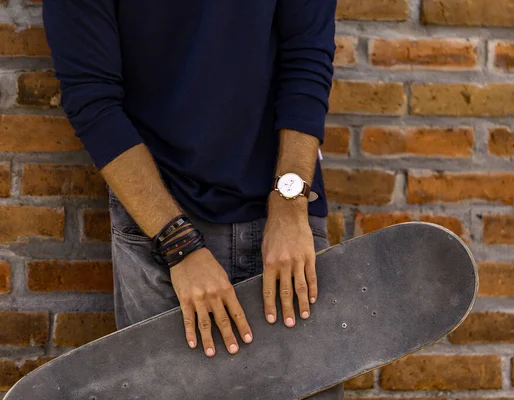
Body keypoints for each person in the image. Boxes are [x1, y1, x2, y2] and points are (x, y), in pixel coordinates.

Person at [42, 0, 341, 398]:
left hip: (287, 212)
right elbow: (92, 100)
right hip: (161, 227)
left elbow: (308, 54)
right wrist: (178, 245)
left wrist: (289, 207)